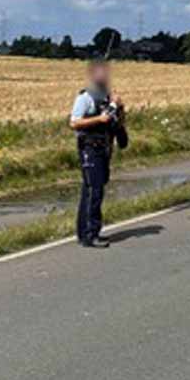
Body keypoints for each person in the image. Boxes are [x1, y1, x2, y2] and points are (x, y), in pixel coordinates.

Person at [69, 58, 128, 247]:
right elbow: (74, 122)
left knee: (96, 190)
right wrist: (100, 119)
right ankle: (88, 234)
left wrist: (118, 107)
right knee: (93, 191)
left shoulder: (106, 97)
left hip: (104, 149)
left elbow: (116, 121)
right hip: (89, 149)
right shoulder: (85, 97)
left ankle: (89, 231)